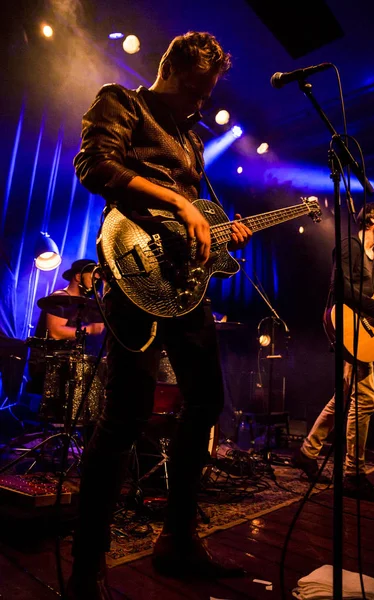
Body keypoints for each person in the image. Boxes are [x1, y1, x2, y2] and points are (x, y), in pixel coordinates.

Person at [67, 32, 252, 599]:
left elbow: (195, 217)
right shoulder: (121, 101)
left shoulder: (191, 138)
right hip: (132, 268)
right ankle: (85, 565)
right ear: (170, 71)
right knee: (125, 412)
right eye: (196, 90)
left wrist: (219, 236)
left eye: (207, 92)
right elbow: (93, 164)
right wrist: (174, 202)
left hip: (184, 286)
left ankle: (177, 541)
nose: (201, 103)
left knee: (206, 401)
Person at [293, 202, 374, 504]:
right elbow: (341, 288)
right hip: (346, 328)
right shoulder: (350, 246)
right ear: (373, 219)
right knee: (364, 400)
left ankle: (307, 452)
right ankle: (353, 474)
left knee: (345, 395)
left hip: (361, 334)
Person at [28, 259, 105, 395]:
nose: (96, 281)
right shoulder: (61, 298)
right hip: (50, 364)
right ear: (77, 277)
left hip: (71, 365)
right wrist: (90, 330)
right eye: (93, 277)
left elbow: (99, 329)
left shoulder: (87, 304)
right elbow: (56, 332)